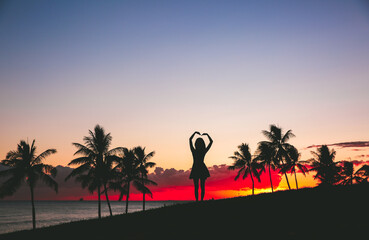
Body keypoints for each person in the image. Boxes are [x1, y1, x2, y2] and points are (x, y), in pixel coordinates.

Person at [189, 131, 213, 201]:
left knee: (196, 187)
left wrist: (194, 133)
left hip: (196, 168)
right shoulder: (203, 151)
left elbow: (190, 140)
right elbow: (211, 142)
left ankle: (198, 200)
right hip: (201, 168)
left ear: (196, 144)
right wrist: (207, 135)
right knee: (202, 186)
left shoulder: (194, 151)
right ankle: (201, 200)